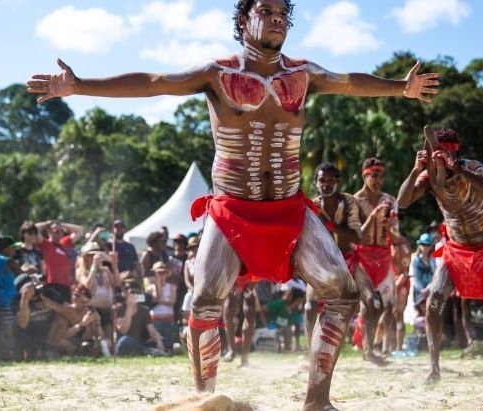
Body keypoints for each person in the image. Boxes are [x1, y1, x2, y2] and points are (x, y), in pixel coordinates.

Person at [27, 0, 438, 406]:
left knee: (342, 292)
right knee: (205, 299)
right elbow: (154, 81)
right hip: (232, 210)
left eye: (283, 14)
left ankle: (317, 400)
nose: (277, 19)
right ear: (243, 20)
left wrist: (401, 87)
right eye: (266, 12)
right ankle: (204, 399)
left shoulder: (304, 73)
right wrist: (81, 85)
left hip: (290, 209)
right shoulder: (217, 73)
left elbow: (350, 81)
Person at [398, 127, 483, 380]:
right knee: (433, 303)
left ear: (453, 152)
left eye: (443, 154)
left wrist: (458, 168)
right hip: (456, 250)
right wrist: (415, 170)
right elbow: (402, 202)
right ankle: (434, 368)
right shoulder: (429, 177)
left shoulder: (472, 167)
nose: (438, 160)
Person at [310, 162, 381, 357]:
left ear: (338, 182)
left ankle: (369, 350)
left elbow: (357, 237)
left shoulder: (349, 201)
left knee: (373, 301)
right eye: (322, 180)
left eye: (331, 180)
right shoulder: (312, 206)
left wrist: (331, 226)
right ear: (316, 182)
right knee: (309, 306)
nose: (326, 184)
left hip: (348, 257)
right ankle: (310, 353)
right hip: (322, 261)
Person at [354, 157, 400, 361]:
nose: (378, 180)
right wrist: (372, 217)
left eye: (381, 176)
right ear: (364, 176)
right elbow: (356, 235)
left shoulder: (389, 200)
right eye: (374, 176)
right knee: (367, 303)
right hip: (362, 257)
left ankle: (378, 345)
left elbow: (396, 234)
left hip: (383, 255)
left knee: (389, 306)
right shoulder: (354, 201)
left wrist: (390, 227)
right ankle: (367, 350)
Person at [43, 284, 105, 356]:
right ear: (74, 299)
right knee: (66, 344)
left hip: (81, 342)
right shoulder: (64, 313)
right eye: (82, 302)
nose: (85, 305)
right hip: (63, 343)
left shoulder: (89, 311)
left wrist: (97, 323)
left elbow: (100, 336)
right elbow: (62, 337)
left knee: (103, 343)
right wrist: (82, 324)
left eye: (87, 302)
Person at [75, 243, 118, 342]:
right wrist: (94, 267)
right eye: (90, 255)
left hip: (107, 308)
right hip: (92, 309)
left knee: (109, 339)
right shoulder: (81, 271)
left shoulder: (105, 270)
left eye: (95, 255)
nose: (93, 257)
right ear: (85, 257)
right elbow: (88, 284)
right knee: (94, 337)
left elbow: (117, 283)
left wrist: (114, 265)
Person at [14, 268, 59, 360]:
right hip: (29, 337)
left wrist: (53, 305)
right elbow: (22, 325)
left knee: (61, 319)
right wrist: (25, 300)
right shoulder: (16, 301)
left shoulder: (47, 293)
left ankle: (50, 350)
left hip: (48, 334)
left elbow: (73, 315)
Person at [35, 220, 84, 302]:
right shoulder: (46, 244)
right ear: (49, 231)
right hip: (53, 284)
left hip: (67, 285)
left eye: (61, 231)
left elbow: (80, 230)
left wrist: (61, 225)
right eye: (56, 231)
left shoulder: (65, 242)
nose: (60, 233)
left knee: (67, 311)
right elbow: (34, 228)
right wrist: (47, 223)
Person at [114, 279, 167, 356]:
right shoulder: (119, 308)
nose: (135, 294)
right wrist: (129, 308)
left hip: (139, 343)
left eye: (137, 292)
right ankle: (148, 351)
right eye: (132, 292)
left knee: (166, 340)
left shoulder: (143, 310)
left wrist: (158, 341)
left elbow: (151, 330)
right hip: (125, 342)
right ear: (125, 293)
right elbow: (123, 330)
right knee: (125, 341)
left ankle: (148, 351)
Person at [0, 236, 19, 360]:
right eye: (13, 248)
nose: (15, 250)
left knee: (1, 329)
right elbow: (22, 274)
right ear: (7, 249)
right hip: (7, 301)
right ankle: (9, 354)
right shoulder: (9, 261)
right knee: (8, 330)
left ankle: (1, 353)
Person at [147, 261, 178, 354]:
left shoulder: (172, 286)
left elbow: (172, 301)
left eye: (163, 273)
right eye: (158, 273)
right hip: (155, 320)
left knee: (170, 344)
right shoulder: (150, 287)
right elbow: (155, 299)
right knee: (157, 342)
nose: (161, 275)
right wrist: (157, 284)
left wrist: (160, 301)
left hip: (168, 320)